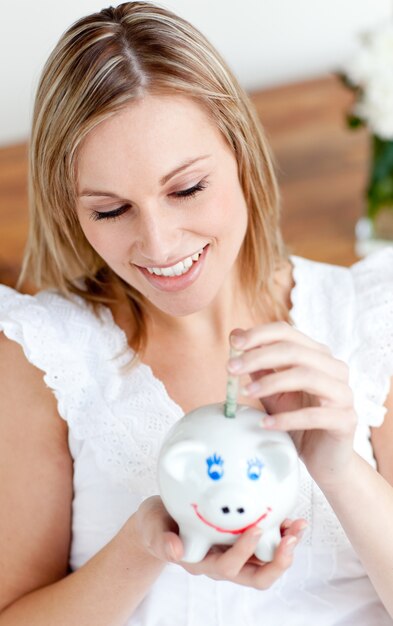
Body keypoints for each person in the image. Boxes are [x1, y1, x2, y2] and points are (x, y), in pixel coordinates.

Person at [0, 2, 393, 624]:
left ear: (239, 152)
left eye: (186, 189)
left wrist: (339, 470)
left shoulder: (370, 317)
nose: (158, 246)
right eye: (110, 210)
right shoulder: (42, 356)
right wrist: (142, 547)